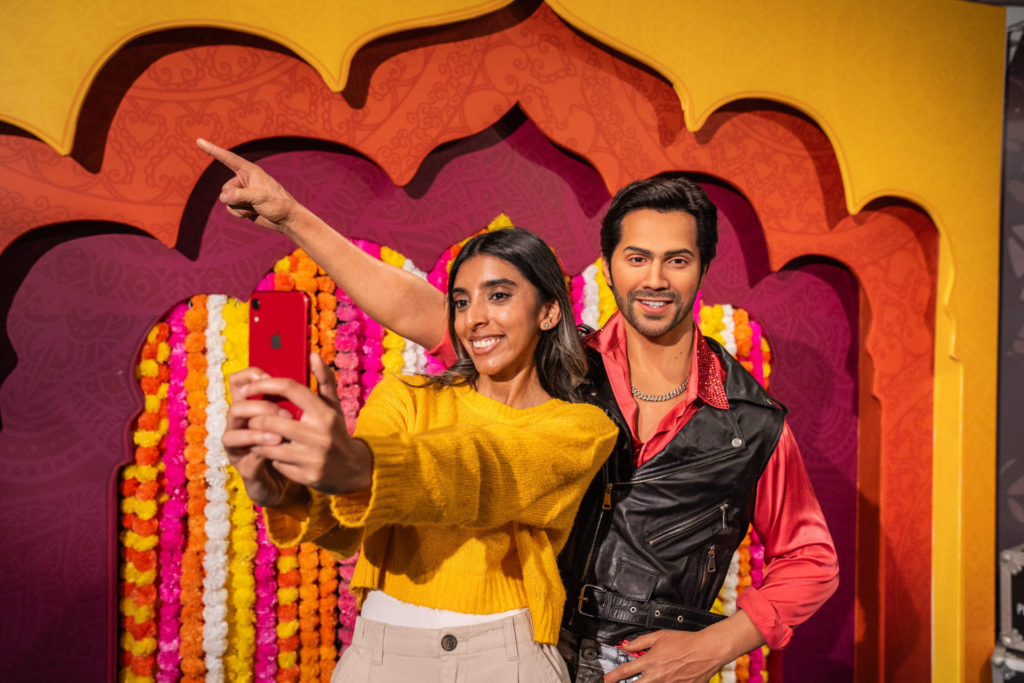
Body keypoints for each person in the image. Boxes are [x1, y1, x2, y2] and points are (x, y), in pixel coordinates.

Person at [198, 138, 838, 683]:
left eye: (678, 260)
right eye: (637, 258)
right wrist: (291, 216)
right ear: (610, 269)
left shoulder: (751, 422)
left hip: (645, 666)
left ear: (702, 270)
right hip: (533, 646)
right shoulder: (559, 366)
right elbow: (424, 315)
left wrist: (714, 646)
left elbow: (810, 558)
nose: (655, 279)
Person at [220, 224, 618, 681]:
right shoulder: (405, 397)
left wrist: (362, 465)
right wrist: (282, 493)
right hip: (382, 653)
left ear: (548, 312)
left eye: (499, 296)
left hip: (508, 658)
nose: (474, 319)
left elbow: (484, 468)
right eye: (462, 301)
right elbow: (342, 532)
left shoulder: (582, 429)